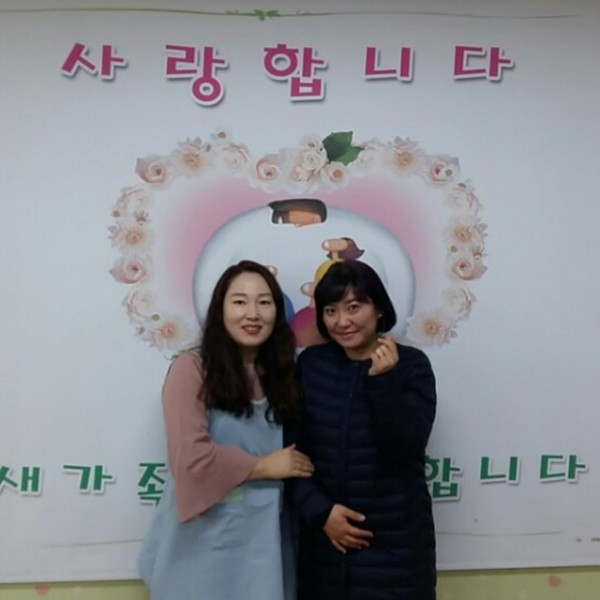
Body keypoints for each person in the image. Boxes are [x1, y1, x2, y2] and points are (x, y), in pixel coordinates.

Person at [138, 259, 314, 600]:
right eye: (240, 302)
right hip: (203, 543)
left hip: (266, 540)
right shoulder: (191, 369)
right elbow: (191, 461)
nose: (253, 314)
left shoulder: (284, 374)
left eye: (264, 302)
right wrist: (263, 466)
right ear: (220, 310)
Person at [287, 260, 437, 600]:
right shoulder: (311, 366)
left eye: (354, 307)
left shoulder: (411, 366)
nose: (342, 321)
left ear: (378, 308)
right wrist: (321, 512)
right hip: (326, 546)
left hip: (396, 549)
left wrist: (382, 383)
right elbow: (293, 454)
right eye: (331, 310)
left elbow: (407, 449)